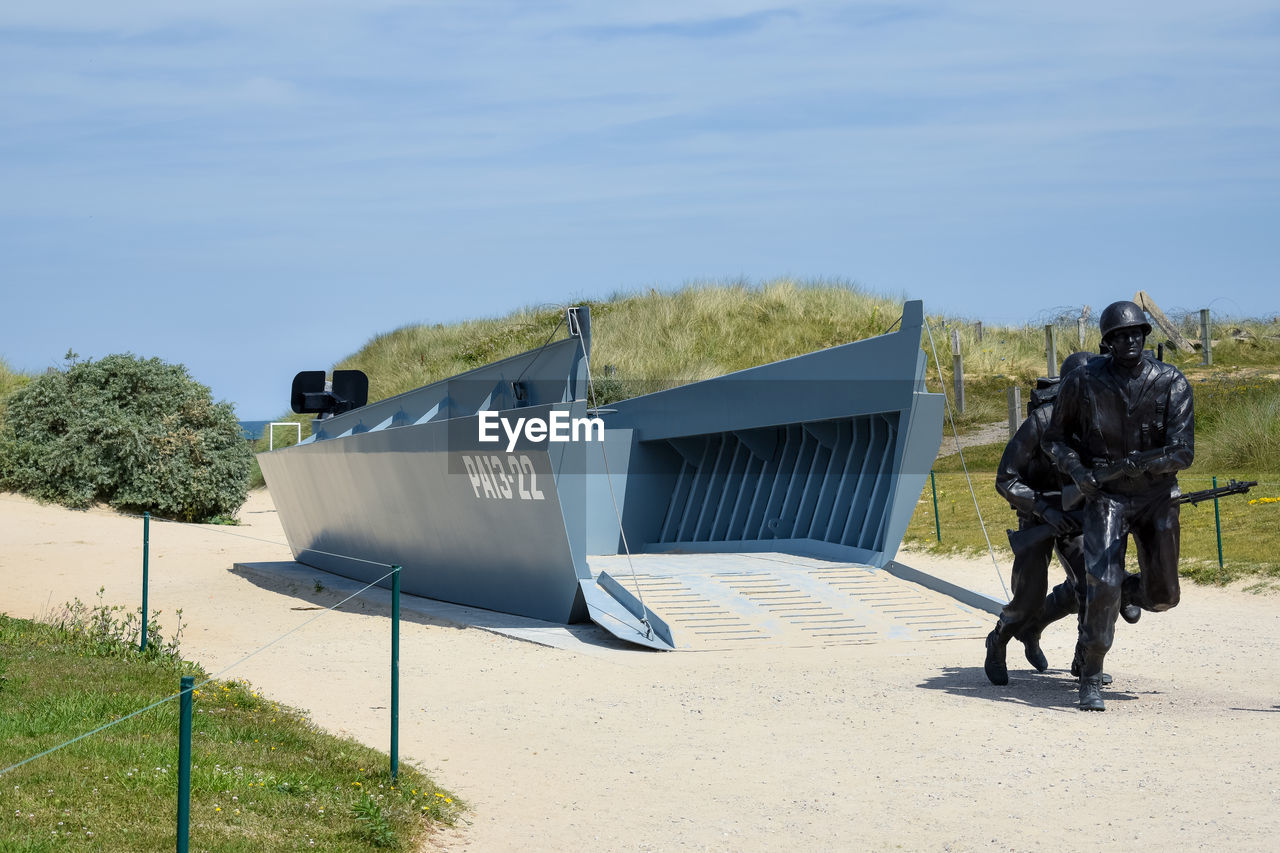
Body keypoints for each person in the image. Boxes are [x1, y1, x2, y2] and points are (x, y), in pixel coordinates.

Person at [1042, 301, 1194, 711]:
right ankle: (1090, 675)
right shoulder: (1084, 382)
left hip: (1156, 497)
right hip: (1106, 497)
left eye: (1136, 334)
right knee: (1103, 584)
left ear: (1146, 337)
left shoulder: (1171, 382)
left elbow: (1183, 453)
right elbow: (1054, 439)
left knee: (1164, 596)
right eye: (1119, 336)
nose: (1129, 341)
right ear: (1106, 342)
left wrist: (1137, 464)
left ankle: (1111, 587)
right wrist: (1077, 470)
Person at [983, 352, 1092, 686]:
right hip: (1038, 514)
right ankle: (1000, 638)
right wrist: (1044, 510)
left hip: (1077, 516)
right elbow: (1006, 478)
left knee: (1093, 585)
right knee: (1028, 597)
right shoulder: (1041, 422)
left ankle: (1086, 660)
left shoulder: (1100, 425)